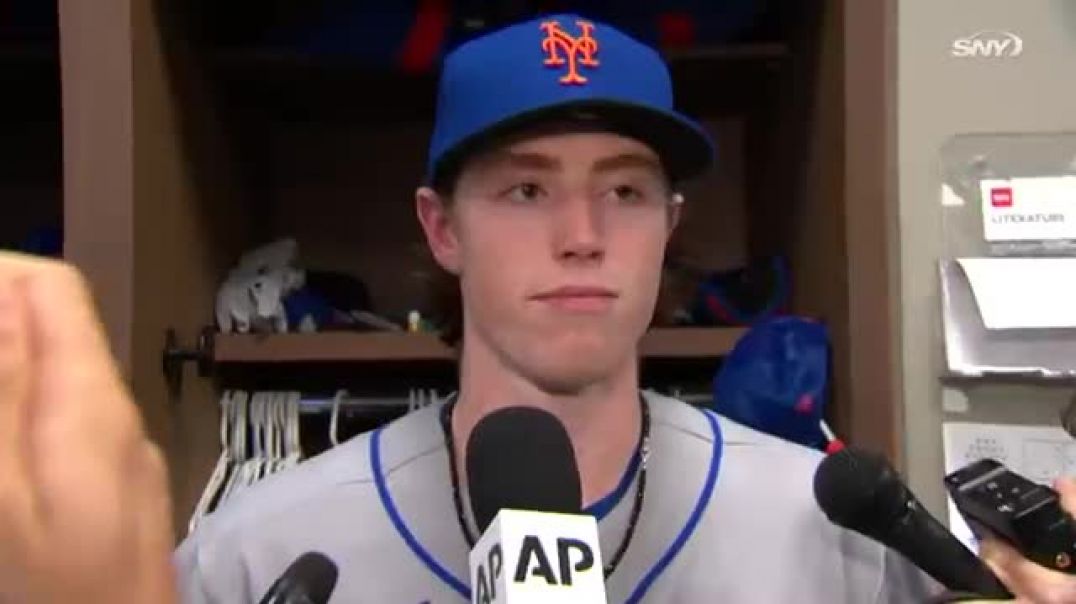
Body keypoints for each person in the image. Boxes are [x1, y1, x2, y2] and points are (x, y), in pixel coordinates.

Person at [2, 12, 1075, 604]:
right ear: (439, 228)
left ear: (668, 226)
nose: (581, 232)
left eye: (623, 189)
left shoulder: (838, 532)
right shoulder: (253, 554)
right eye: (524, 189)